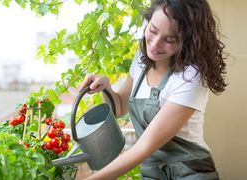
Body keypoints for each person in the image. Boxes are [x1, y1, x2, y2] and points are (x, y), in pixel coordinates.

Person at [78, 0, 227, 179]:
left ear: (188, 40)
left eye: (170, 39)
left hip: (190, 171)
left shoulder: (191, 76)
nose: (155, 44)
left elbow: (144, 146)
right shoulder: (141, 59)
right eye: (153, 30)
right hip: (153, 172)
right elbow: (118, 108)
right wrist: (105, 87)